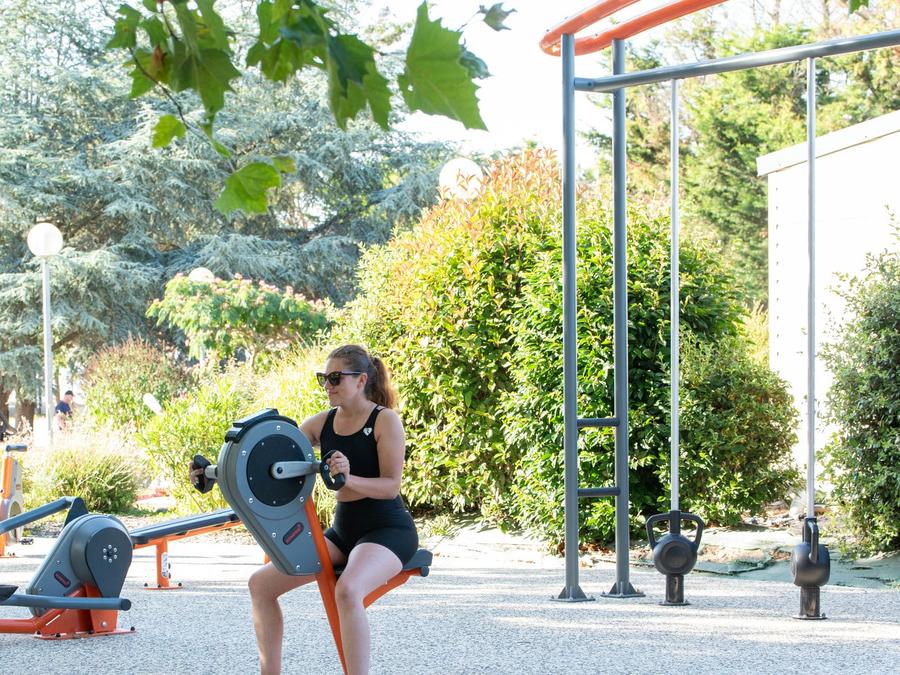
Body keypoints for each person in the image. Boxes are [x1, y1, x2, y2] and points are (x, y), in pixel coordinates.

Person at [247, 345, 417, 675]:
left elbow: (390, 486)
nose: (328, 385)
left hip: (388, 531)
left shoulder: (384, 420)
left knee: (348, 590)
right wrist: (216, 467)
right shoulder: (322, 423)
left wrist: (349, 479)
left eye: (336, 378)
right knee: (261, 585)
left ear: (361, 380)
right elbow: (273, 451)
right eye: (324, 378)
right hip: (343, 533)